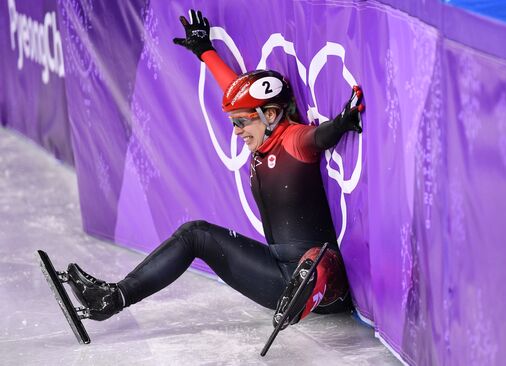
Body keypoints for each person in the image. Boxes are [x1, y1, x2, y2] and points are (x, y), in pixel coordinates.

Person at [66, 9, 364, 330]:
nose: (236, 131)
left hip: (324, 281)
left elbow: (318, 136)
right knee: (196, 234)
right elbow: (232, 88)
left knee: (317, 262)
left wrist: (342, 123)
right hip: (279, 271)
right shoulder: (263, 131)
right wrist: (205, 51)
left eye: (241, 122)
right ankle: (112, 298)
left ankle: (309, 289)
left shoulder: (292, 139)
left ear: (272, 114)